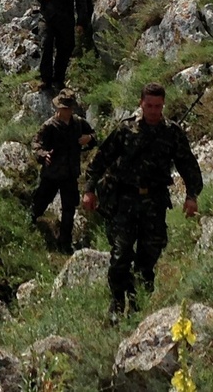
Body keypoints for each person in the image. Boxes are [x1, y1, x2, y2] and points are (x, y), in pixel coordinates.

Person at [82, 82, 203, 321]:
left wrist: (191, 196)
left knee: (149, 256)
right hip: (123, 199)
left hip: (154, 201)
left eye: (158, 106)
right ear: (141, 103)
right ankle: (117, 302)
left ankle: (138, 305)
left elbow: (188, 165)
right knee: (121, 254)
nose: (154, 110)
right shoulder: (125, 129)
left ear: (163, 105)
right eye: (149, 105)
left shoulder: (172, 133)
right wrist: (89, 190)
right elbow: (101, 159)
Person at [31, 88, 96, 253]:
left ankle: (64, 243)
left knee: (69, 209)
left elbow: (95, 136)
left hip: (70, 174)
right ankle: (30, 222)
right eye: (62, 108)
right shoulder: (49, 126)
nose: (65, 111)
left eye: (68, 108)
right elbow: (36, 144)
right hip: (52, 174)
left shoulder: (79, 123)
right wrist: (43, 155)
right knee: (41, 201)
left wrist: (89, 139)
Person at [32, 0, 87, 91]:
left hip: (66, 19)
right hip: (47, 18)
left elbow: (81, 1)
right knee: (46, 46)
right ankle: (46, 80)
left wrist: (81, 22)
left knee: (65, 48)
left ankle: (59, 79)